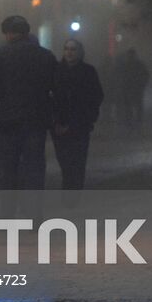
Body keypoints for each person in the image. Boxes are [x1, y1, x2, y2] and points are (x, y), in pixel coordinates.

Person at [0, 15, 57, 211]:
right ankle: (34, 215)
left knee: (8, 170)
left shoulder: (1, 55)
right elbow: (57, 87)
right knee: (35, 169)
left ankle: (7, 216)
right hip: (36, 120)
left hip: (8, 120)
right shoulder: (45, 56)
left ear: (8, 34)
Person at [51, 39, 104, 201]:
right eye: (66, 49)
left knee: (78, 160)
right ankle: (69, 189)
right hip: (59, 125)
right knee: (64, 160)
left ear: (79, 52)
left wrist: (87, 118)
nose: (69, 52)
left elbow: (96, 96)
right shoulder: (56, 71)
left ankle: (73, 193)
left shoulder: (88, 72)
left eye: (73, 49)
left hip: (80, 125)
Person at [114, 47, 150, 129]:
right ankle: (133, 121)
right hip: (131, 89)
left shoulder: (131, 65)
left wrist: (142, 84)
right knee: (131, 106)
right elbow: (121, 76)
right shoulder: (134, 65)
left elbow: (145, 75)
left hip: (133, 88)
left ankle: (134, 121)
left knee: (134, 106)